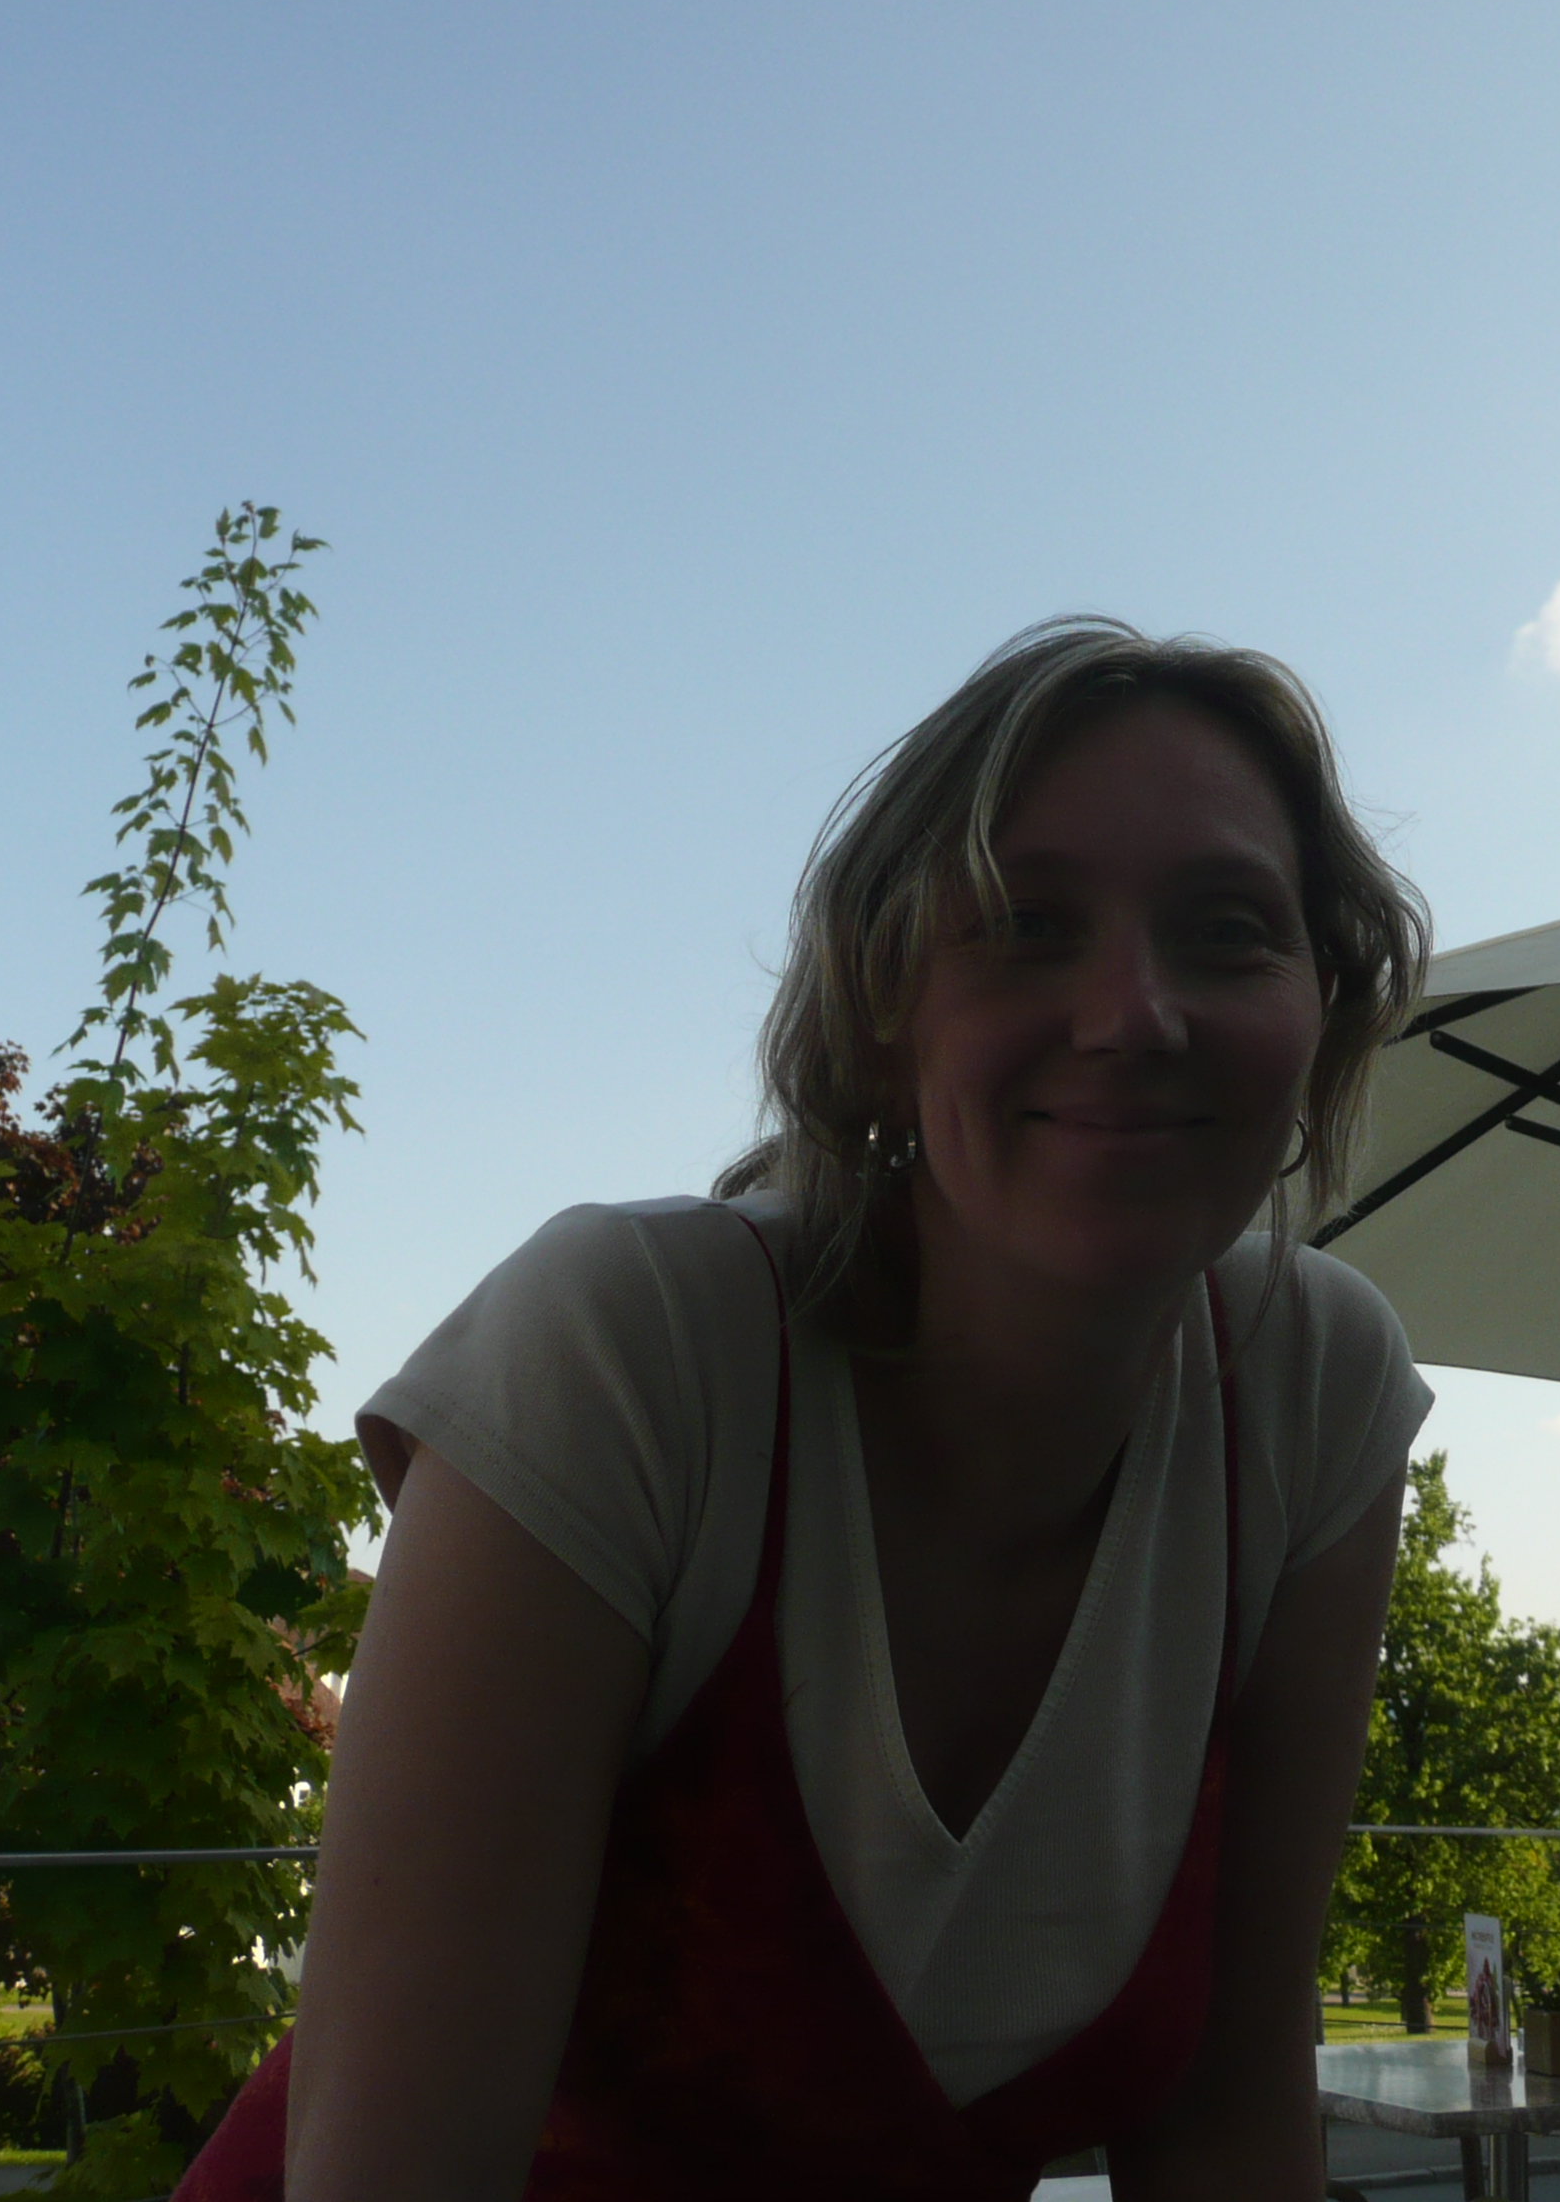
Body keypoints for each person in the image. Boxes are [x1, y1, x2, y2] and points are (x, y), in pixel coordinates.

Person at [175, 619, 1436, 2202]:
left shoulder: (1313, 1388)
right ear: (881, 1009)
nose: (1134, 1012)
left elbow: (1227, 2109)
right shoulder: (633, 1351)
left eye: (1228, 931)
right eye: (1029, 926)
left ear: (1324, 1009)